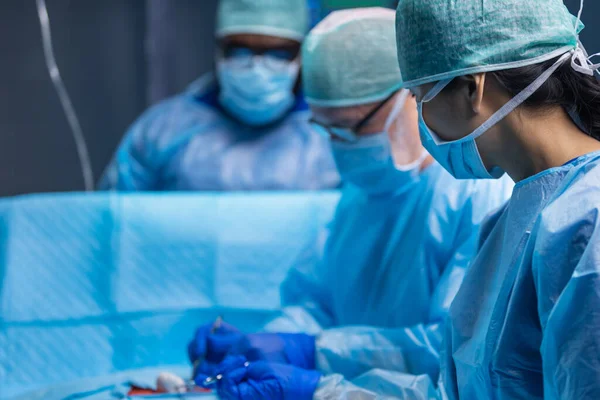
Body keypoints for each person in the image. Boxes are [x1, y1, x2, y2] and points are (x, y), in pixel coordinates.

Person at [187, 8, 513, 399]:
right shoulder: (362, 195)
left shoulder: (477, 194)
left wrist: (314, 354)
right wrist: (270, 341)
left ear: (410, 97)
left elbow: (451, 350)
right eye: (327, 130)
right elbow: (319, 301)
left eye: (351, 129)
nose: (341, 147)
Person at [397, 0, 600, 398]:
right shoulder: (516, 220)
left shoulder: (588, 219)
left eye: (420, 96)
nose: (421, 117)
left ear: (474, 88)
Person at [99, 0, 339, 191]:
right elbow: (112, 224)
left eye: (277, 53)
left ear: (301, 54)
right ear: (219, 49)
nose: (256, 68)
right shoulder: (161, 132)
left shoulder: (335, 137)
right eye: (240, 50)